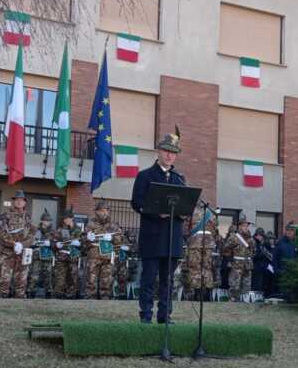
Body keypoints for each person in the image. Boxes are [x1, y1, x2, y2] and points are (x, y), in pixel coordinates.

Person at [131, 128, 185, 324]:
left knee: (168, 281)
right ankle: (146, 315)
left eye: (174, 153)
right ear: (159, 152)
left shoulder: (179, 179)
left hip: (172, 237)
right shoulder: (145, 176)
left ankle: (165, 316)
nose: (170, 155)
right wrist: (156, 212)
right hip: (153, 236)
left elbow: (185, 204)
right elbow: (136, 203)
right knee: (148, 279)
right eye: (167, 151)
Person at [83, 201, 126, 299]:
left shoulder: (113, 225)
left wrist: (113, 238)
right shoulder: (90, 224)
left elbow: (119, 241)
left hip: (107, 256)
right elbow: (82, 242)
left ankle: (105, 299)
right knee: (91, 279)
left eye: (106, 210)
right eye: (102, 210)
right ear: (97, 211)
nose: (105, 213)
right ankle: (90, 298)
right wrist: (87, 238)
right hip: (93, 256)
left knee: (107, 280)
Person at [0, 190, 35, 298]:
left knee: (22, 278)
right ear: (14, 201)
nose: (19, 202)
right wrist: (14, 244)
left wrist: (23, 245)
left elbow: (32, 235)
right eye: (17, 200)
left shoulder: (28, 217)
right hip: (7, 252)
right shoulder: (5, 215)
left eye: (21, 200)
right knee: (4, 278)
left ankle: (19, 299)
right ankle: (2, 298)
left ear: (25, 202)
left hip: (22, 252)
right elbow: (1, 233)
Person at [183, 203, 218, 301]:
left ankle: (197, 293)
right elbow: (215, 229)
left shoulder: (191, 212)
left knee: (195, 267)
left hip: (195, 241)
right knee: (207, 267)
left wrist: (187, 238)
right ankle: (207, 293)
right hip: (209, 242)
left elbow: (186, 228)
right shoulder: (211, 213)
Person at [223, 214, 255, 302]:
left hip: (247, 265)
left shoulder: (250, 238)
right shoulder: (234, 237)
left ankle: (244, 301)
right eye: (244, 225)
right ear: (239, 226)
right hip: (237, 265)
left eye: (247, 225)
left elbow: (253, 251)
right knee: (234, 285)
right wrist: (230, 260)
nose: (246, 227)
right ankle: (233, 300)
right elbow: (225, 249)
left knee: (246, 286)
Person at [52, 208, 82, 299]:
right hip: (61, 257)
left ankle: (71, 296)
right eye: (64, 219)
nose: (65, 220)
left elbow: (84, 243)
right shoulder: (59, 230)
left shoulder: (79, 230)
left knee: (73, 278)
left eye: (67, 218)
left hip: (73, 257)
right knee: (59, 278)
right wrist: (56, 245)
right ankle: (58, 295)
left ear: (72, 218)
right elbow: (53, 242)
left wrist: (79, 243)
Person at [28, 209, 55, 298]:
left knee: (48, 276)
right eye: (45, 220)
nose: (47, 222)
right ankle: (30, 293)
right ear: (42, 220)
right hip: (37, 256)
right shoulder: (35, 230)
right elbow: (30, 242)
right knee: (34, 275)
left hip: (48, 256)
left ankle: (49, 294)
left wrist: (50, 243)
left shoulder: (53, 232)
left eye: (49, 221)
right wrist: (34, 243)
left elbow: (57, 244)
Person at [272, 222, 298, 300]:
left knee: (293, 294)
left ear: (295, 232)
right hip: (282, 271)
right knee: (284, 294)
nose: (289, 232)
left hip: (294, 272)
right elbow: (274, 258)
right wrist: (276, 270)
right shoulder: (280, 243)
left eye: (291, 230)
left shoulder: (297, 243)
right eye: (287, 230)